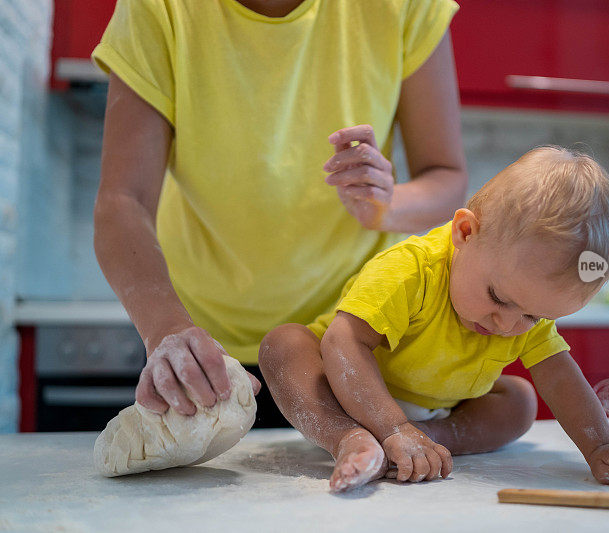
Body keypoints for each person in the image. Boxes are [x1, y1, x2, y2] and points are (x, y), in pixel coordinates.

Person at [90, 0, 467, 425]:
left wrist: (386, 205)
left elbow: (446, 177)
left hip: (354, 339)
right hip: (206, 346)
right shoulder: (159, 7)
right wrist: (167, 329)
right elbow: (123, 201)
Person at [259, 146, 609, 492]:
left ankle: (430, 440)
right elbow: (343, 343)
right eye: (497, 298)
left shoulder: (520, 306)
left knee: (519, 399)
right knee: (285, 344)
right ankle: (348, 439)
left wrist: (601, 447)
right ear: (465, 232)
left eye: (534, 316)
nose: (507, 325)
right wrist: (392, 427)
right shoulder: (410, 270)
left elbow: (560, 376)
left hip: (437, 410)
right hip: (344, 390)